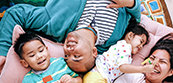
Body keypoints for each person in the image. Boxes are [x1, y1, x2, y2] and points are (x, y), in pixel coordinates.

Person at [0, 0, 141, 73]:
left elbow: (15, 14)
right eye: (77, 56)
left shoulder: (54, 25)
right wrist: (130, 3)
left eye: (66, 56)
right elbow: (137, 17)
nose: (68, 51)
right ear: (94, 52)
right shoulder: (113, 39)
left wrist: (2, 53)